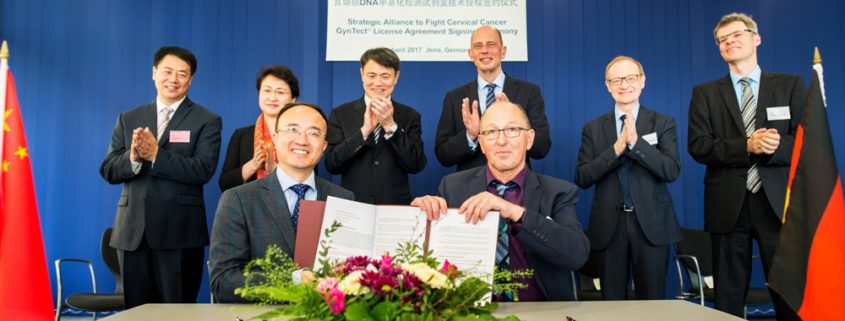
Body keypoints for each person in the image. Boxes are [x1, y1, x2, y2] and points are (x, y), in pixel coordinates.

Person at [688, 12, 806, 320]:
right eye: (722, 40)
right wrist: (746, 146)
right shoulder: (705, 93)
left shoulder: (790, 85)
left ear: (756, 38)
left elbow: (808, 142)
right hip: (728, 206)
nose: (729, 42)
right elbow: (699, 146)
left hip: (778, 204)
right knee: (727, 295)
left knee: (787, 291)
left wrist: (777, 146)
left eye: (736, 35)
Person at [413, 102, 589, 301]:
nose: (501, 140)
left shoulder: (558, 192)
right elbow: (435, 256)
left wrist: (516, 212)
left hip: (539, 310)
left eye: (512, 130)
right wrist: (422, 220)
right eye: (491, 132)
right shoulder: (453, 187)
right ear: (481, 142)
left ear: (529, 139)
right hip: (472, 310)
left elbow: (577, 254)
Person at [100, 46, 222, 308]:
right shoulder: (129, 117)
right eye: (167, 71)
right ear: (154, 73)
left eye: (182, 74)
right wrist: (132, 158)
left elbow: (203, 169)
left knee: (176, 310)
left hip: (179, 233)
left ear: (191, 79)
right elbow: (108, 169)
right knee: (136, 311)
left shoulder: (207, 120)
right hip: (133, 234)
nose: (173, 79)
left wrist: (156, 155)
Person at [209, 102, 355, 303]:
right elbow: (223, 282)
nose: (302, 140)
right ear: (275, 139)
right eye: (293, 130)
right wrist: (294, 281)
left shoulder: (344, 200)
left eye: (313, 133)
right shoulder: (238, 200)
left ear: (323, 146)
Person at [574, 56, 682, 300]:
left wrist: (636, 144)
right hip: (609, 228)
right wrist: (616, 149)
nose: (624, 85)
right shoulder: (592, 128)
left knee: (653, 303)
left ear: (642, 81)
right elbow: (582, 176)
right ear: (607, 85)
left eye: (631, 78)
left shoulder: (663, 122)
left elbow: (671, 170)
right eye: (617, 80)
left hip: (652, 226)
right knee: (612, 304)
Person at [435, 25, 551, 171]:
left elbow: (542, 148)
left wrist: (515, 123)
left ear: (503, 51)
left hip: (517, 187)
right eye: (478, 46)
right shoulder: (455, 98)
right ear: (471, 54)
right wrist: (471, 136)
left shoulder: (529, 92)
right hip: (472, 188)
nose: (484, 50)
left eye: (491, 44)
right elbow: (443, 155)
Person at [325, 47, 426, 204]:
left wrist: (391, 126)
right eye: (371, 75)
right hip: (353, 205)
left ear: (396, 77)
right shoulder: (340, 114)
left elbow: (416, 164)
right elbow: (332, 164)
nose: (378, 83)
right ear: (362, 75)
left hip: (394, 207)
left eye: (385, 76)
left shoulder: (410, 116)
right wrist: (364, 132)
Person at [219, 65, 299, 191]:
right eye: (267, 91)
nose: (272, 98)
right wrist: (254, 164)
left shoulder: (301, 137)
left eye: (280, 92)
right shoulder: (241, 136)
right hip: (247, 207)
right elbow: (225, 184)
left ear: (293, 99)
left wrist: (274, 169)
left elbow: (307, 183)